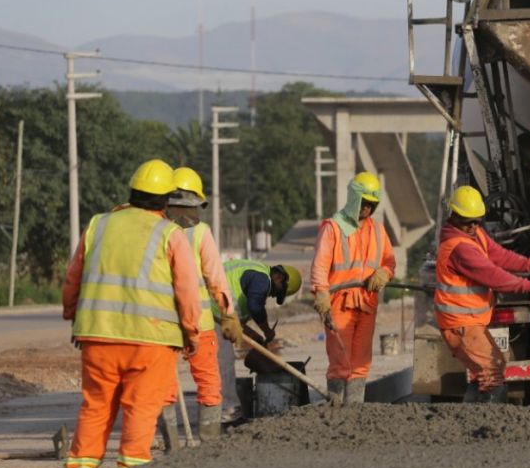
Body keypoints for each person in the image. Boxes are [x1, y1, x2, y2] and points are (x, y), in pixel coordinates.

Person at [61, 159, 202, 468]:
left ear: (132, 191)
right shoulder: (170, 234)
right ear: (166, 199)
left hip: (98, 337)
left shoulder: (99, 224)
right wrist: (191, 332)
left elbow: (73, 278)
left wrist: (73, 315)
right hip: (150, 343)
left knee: (96, 406)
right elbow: (186, 290)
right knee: (141, 408)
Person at [434, 185, 530, 403]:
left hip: (470, 322)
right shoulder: (459, 248)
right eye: (469, 221)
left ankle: (475, 422)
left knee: (485, 374)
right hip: (461, 324)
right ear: (454, 216)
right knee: (493, 372)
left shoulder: (474, 235)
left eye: (477, 221)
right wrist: (529, 287)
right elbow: (493, 275)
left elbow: (500, 256)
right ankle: (488, 422)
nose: (474, 226)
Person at [157, 167, 243, 447]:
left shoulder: (156, 231)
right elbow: (216, 279)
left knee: (165, 385)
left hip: (164, 324)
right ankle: (209, 442)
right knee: (208, 383)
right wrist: (228, 314)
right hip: (200, 323)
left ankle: (171, 444)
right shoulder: (200, 233)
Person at [311, 172, 396, 405]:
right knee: (340, 357)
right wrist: (321, 292)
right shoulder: (333, 228)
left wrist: (384, 273)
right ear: (353, 199)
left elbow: (389, 261)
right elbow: (320, 264)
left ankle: (354, 408)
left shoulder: (378, 230)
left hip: (366, 302)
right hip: (338, 302)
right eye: (364, 203)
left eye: (371, 205)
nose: (367, 209)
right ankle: (336, 405)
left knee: (360, 360)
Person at [218, 259, 301, 423]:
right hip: (209, 309)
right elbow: (255, 306)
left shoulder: (256, 274)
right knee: (223, 362)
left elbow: (238, 322)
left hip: (218, 312)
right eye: (277, 292)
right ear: (278, 277)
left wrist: (255, 335)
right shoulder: (262, 278)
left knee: (222, 362)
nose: (272, 295)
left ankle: (225, 410)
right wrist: (267, 330)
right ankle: (226, 413)